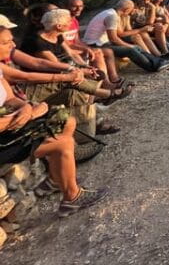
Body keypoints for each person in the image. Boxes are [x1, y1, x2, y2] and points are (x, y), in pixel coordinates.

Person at [0, 25, 109, 215]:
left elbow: (10, 98)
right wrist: (29, 114)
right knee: (63, 142)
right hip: (5, 138)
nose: (13, 44)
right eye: (6, 42)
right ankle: (71, 197)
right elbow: (31, 71)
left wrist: (26, 107)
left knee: (67, 120)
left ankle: (55, 178)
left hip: (13, 124)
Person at [83, 0, 169, 72]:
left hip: (100, 43)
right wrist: (129, 46)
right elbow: (113, 39)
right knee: (131, 50)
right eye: (131, 10)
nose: (131, 12)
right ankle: (152, 67)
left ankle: (158, 62)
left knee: (136, 47)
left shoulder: (110, 13)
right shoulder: (112, 17)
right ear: (126, 9)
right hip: (96, 45)